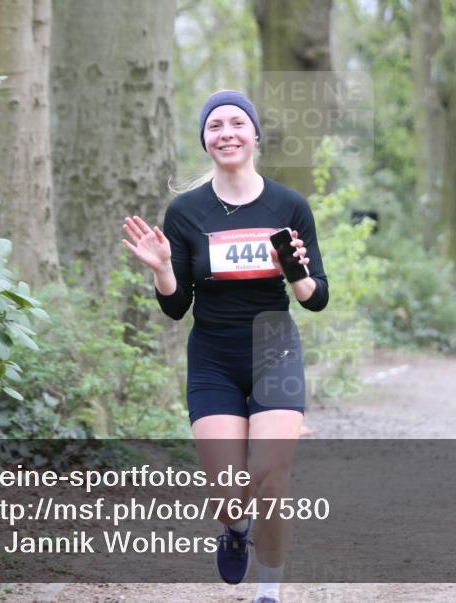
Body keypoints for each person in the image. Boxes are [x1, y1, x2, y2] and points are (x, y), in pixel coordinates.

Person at [121, 90, 328, 603]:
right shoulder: (187, 212)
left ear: (255, 135)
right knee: (228, 493)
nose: (227, 132)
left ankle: (269, 591)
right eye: (215, 126)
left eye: (238, 123)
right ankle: (235, 529)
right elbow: (176, 308)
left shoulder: (288, 205)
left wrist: (295, 273)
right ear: (206, 141)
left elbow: (316, 298)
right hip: (212, 355)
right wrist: (165, 269)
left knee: (271, 477)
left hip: (273, 346)